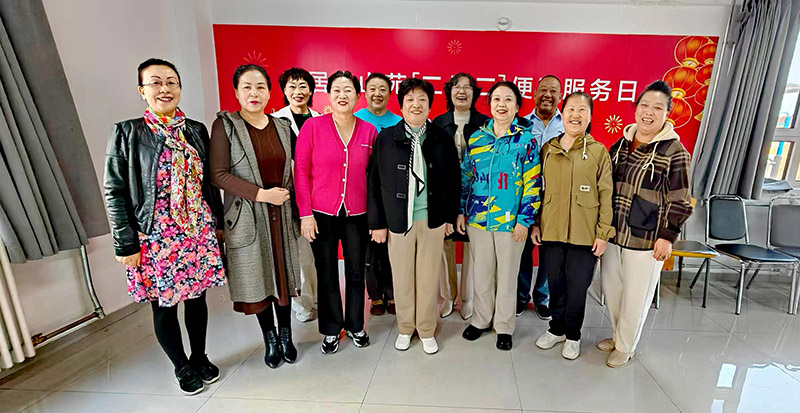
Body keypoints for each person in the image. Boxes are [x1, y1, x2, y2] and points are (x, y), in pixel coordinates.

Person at [104, 58, 226, 395]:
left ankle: (199, 356)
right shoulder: (128, 133)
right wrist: (125, 243)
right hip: (155, 235)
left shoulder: (195, 130)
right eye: (155, 82)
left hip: (196, 230)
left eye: (171, 82)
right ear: (142, 91)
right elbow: (114, 190)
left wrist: (217, 224)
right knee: (164, 304)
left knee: (197, 299)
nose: (165, 89)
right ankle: (181, 366)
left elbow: (208, 183)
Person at [210, 64, 301, 369]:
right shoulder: (226, 125)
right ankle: (270, 339)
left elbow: (297, 168)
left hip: (281, 213)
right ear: (236, 92)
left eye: (260, 87)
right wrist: (262, 195)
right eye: (246, 87)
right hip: (247, 215)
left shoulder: (282, 126)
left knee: (283, 277)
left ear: (269, 92)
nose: (254, 93)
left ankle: (287, 335)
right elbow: (218, 174)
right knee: (258, 277)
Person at [598, 80, 693, 368]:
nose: (649, 112)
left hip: (647, 239)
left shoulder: (675, 151)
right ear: (636, 108)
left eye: (657, 108)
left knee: (636, 298)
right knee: (613, 292)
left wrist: (668, 235)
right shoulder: (620, 145)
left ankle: (626, 347)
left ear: (667, 113)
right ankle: (618, 336)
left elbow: (681, 199)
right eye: (644, 105)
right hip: (614, 234)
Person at [368, 78, 461, 354]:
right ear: (401, 105)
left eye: (422, 100)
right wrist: (378, 223)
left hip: (432, 221)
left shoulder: (441, 137)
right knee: (402, 278)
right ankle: (406, 328)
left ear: (430, 105)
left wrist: (449, 217)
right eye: (410, 100)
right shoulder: (386, 138)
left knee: (428, 277)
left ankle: (427, 329)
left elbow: (454, 181)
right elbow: (374, 182)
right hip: (399, 221)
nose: (416, 105)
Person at [295, 71, 377, 354]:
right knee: (327, 272)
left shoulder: (369, 131)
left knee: (356, 271)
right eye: (337, 90)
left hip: (358, 214)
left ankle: (355, 325)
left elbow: (374, 178)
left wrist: (375, 218)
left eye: (348, 90)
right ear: (328, 95)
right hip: (321, 214)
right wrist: (305, 214)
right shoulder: (313, 127)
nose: (343, 95)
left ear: (358, 96)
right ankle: (331, 329)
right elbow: (301, 171)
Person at [457, 81, 541, 351]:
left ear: (517, 106)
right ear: (489, 104)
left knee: (507, 276)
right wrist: (461, 210)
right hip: (478, 219)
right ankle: (481, 320)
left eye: (508, 100)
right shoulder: (477, 139)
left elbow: (533, 183)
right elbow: (466, 177)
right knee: (481, 274)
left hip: (511, 222)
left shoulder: (526, 141)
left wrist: (525, 220)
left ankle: (504, 326)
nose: (501, 105)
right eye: (496, 99)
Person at [532, 92, 614, 360]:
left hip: (584, 234)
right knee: (556, 284)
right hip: (552, 231)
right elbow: (538, 190)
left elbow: (606, 195)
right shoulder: (548, 150)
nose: (575, 115)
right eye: (570, 109)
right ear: (562, 113)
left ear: (590, 117)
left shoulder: (598, 151)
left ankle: (573, 335)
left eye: (582, 110)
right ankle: (556, 329)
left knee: (577, 288)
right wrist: (536, 224)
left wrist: (603, 233)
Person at [432, 72, 489, 319]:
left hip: (475, 194)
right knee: (443, 246)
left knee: (472, 248)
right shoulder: (438, 122)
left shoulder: (485, 123)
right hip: (445, 194)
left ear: (475, 93)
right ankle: (447, 296)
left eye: (468, 87)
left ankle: (467, 299)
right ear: (449, 92)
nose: (462, 91)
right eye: (456, 86)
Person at [273, 67, 321, 323]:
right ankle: (303, 305)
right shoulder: (275, 121)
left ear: (311, 90)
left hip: (320, 195)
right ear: (284, 90)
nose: (298, 91)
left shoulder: (320, 118)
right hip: (291, 197)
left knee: (320, 254)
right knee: (300, 255)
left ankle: (322, 299)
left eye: (303, 86)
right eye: (292, 86)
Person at [516, 75, 565, 320]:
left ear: (560, 96)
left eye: (553, 91)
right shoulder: (521, 124)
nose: (547, 95)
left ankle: (542, 297)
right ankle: (520, 297)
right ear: (534, 94)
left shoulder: (567, 125)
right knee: (522, 249)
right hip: (524, 194)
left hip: (555, 197)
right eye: (543, 90)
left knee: (549, 252)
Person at [355, 72, 401, 316]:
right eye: (372, 88)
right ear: (365, 93)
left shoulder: (398, 122)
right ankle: (375, 297)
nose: (377, 93)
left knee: (392, 249)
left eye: (383, 89)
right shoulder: (355, 119)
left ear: (390, 94)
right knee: (369, 251)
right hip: (362, 194)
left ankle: (392, 293)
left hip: (391, 195)